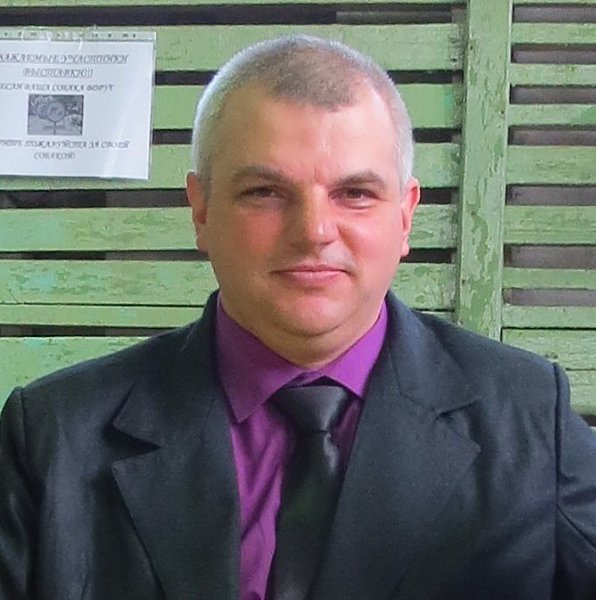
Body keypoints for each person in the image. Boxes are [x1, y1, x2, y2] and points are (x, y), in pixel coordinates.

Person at [1, 35, 595, 600]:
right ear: (201, 211)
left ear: (405, 215)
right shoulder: (53, 439)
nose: (313, 231)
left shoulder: (529, 421)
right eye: (265, 192)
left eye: (355, 193)